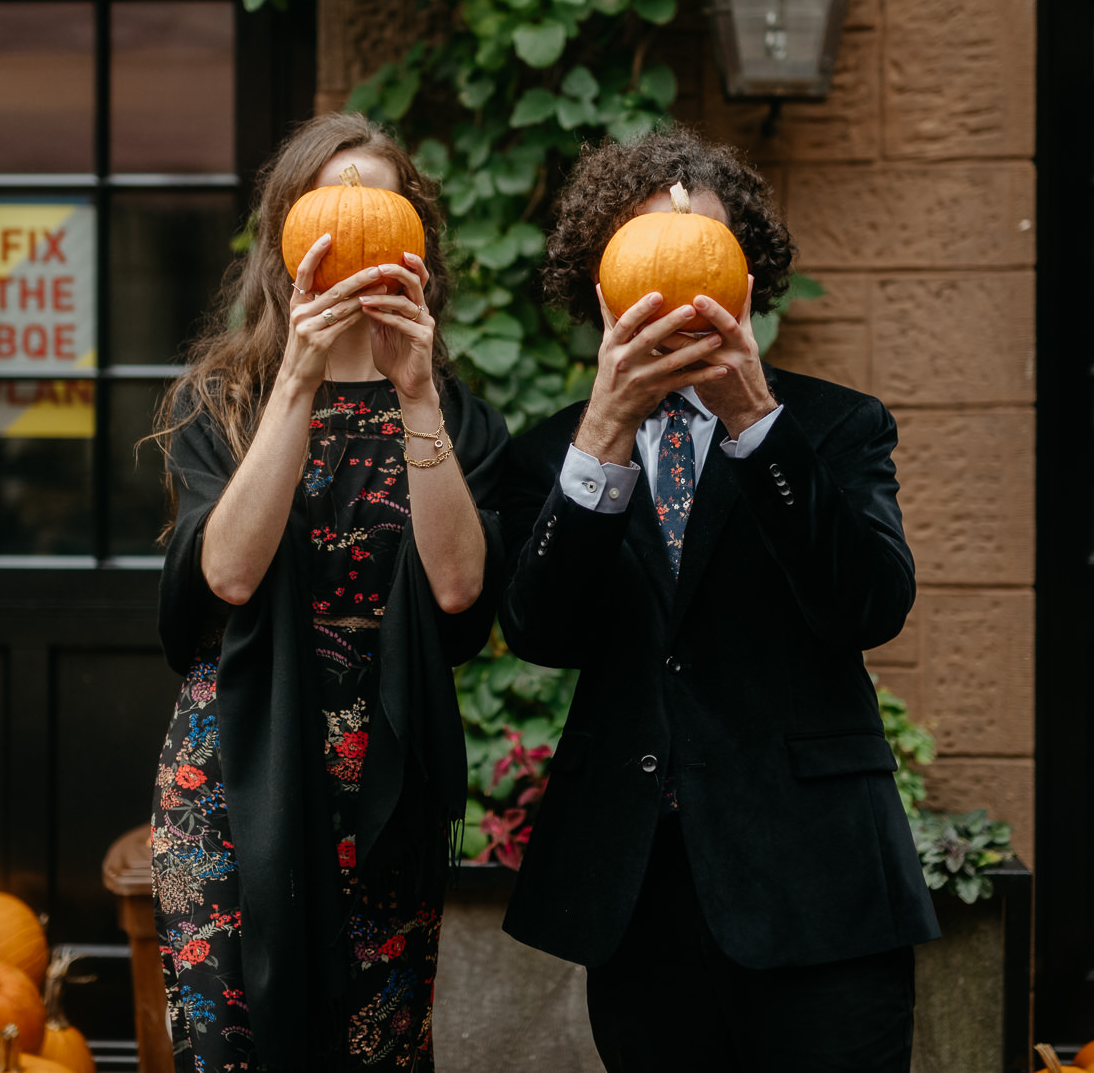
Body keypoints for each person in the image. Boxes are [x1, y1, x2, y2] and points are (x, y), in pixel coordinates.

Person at [499, 128, 938, 1071]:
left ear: (745, 279)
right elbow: (538, 628)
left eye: (706, 251)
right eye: (649, 252)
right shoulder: (551, 455)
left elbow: (870, 603)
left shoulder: (835, 427)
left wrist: (753, 420)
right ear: (604, 281)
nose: (680, 282)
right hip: (639, 890)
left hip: (820, 883)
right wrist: (605, 433)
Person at [148, 112, 509, 1072]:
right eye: (332, 196)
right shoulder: (222, 401)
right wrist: (298, 380)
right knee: (235, 1046)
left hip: (386, 761)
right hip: (239, 751)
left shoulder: (456, 412)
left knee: (373, 1046)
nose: (355, 220)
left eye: (378, 199)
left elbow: (462, 586)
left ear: (414, 240)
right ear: (288, 237)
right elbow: (224, 572)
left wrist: (417, 393)